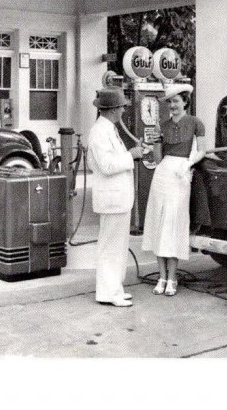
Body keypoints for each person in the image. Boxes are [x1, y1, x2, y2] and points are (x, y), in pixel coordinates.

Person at [142, 84, 206, 296]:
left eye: (176, 101)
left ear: (185, 101)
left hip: (181, 174)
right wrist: (155, 144)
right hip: (163, 174)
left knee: (174, 223)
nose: (173, 105)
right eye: (170, 102)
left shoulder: (196, 123)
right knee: (160, 224)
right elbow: (158, 159)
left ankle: (173, 278)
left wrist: (187, 165)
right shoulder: (162, 125)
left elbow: (202, 151)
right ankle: (161, 277)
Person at [87, 88, 148, 307]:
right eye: (122, 106)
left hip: (118, 198)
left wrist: (129, 155)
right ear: (113, 109)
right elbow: (106, 165)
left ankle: (115, 288)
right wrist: (131, 155)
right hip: (112, 198)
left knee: (118, 247)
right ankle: (108, 292)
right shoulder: (99, 132)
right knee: (110, 248)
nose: (124, 110)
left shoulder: (109, 129)